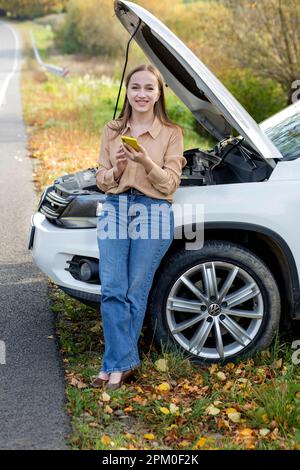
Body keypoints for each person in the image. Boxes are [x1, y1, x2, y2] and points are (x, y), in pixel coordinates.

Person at [91, 63, 187, 391]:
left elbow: (169, 186)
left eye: (149, 88)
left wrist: (146, 161)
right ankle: (123, 363)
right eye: (135, 87)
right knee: (112, 289)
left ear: (159, 93)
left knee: (135, 289)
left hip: (154, 210)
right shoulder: (112, 128)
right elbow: (101, 180)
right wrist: (117, 170)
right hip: (116, 208)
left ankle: (113, 367)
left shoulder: (172, 133)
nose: (141, 94)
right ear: (128, 92)